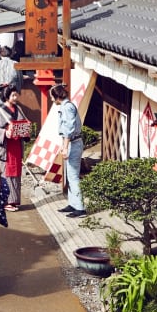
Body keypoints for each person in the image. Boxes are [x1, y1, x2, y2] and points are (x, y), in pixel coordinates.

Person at [0, 84, 31, 211]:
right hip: (6, 146)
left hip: (16, 145)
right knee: (6, 173)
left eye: (16, 95)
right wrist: (5, 133)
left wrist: (26, 131)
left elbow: (25, 123)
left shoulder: (19, 109)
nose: (16, 97)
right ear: (6, 96)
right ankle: (6, 201)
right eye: (13, 95)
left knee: (16, 174)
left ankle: (14, 200)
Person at [51, 84, 86, 218]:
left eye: (52, 97)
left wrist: (65, 147)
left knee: (73, 176)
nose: (51, 100)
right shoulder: (65, 107)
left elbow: (69, 129)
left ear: (57, 97)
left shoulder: (68, 107)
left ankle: (80, 208)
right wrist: (63, 145)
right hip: (71, 143)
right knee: (70, 175)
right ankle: (73, 203)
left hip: (73, 143)